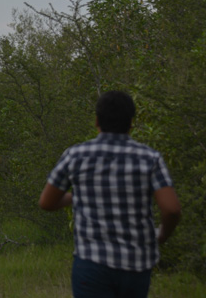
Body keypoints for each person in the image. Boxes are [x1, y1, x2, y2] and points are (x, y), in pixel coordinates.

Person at [39, 90, 182, 298]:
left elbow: (46, 202)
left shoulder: (76, 155)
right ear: (131, 123)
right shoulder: (150, 158)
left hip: (91, 264)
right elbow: (171, 209)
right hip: (137, 265)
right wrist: (161, 235)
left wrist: (77, 196)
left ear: (97, 121)